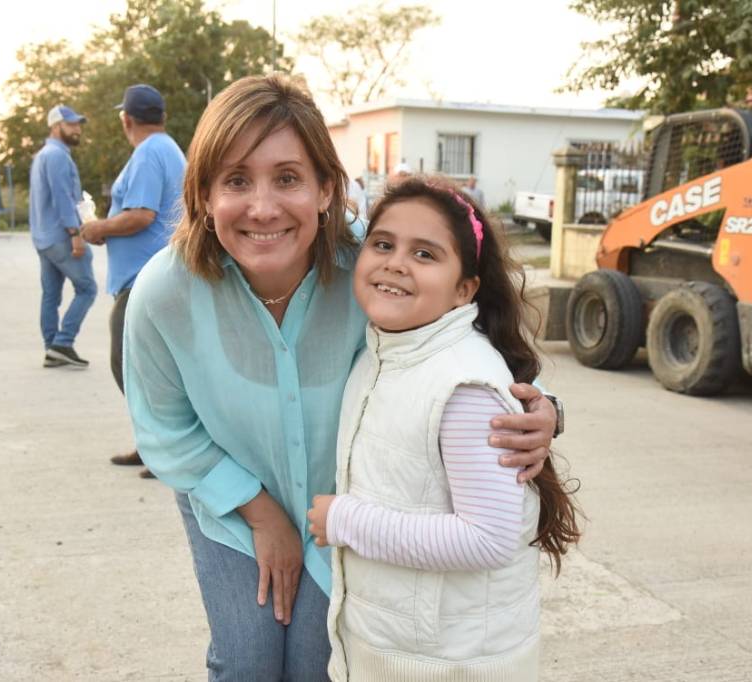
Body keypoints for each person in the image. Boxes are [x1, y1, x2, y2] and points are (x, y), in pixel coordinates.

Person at [123, 75, 560, 681]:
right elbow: (164, 427)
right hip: (229, 500)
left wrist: (542, 410)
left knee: (317, 662)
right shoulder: (164, 293)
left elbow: (460, 337)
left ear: (327, 187)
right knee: (247, 660)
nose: (263, 207)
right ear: (201, 194)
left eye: (288, 178)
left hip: (349, 510)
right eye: (235, 180)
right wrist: (260, 512)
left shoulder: (376, 263)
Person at [307, 177, 580, 680]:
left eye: (425, 254)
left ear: (464, 289)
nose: (395, 262)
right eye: (383, 244)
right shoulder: (385, 352)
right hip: (402, 646)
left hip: (447, 663)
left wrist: (345, 520)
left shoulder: (463, 385)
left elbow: (486, 538)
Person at [80, 84, 187, 479]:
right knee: (146, 369)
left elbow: (141, 214)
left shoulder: (148, 153)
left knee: (130, 366)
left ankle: (165, 451)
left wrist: (98, 228)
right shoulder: (169, 149)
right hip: (155, 274)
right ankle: (152, 447)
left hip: (145, 279)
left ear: (126, 119)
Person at [29, 104, 97, 368]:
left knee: (50, 295)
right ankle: (63, 342)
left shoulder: (43, 155)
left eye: (78, 124)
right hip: (60, 236)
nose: (77, 129)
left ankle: (51, 349)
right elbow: (62, 197)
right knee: (87, 288)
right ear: (56, 126)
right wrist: (75, 234)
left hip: (43, 238)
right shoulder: (57, 156)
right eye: (72, 124)